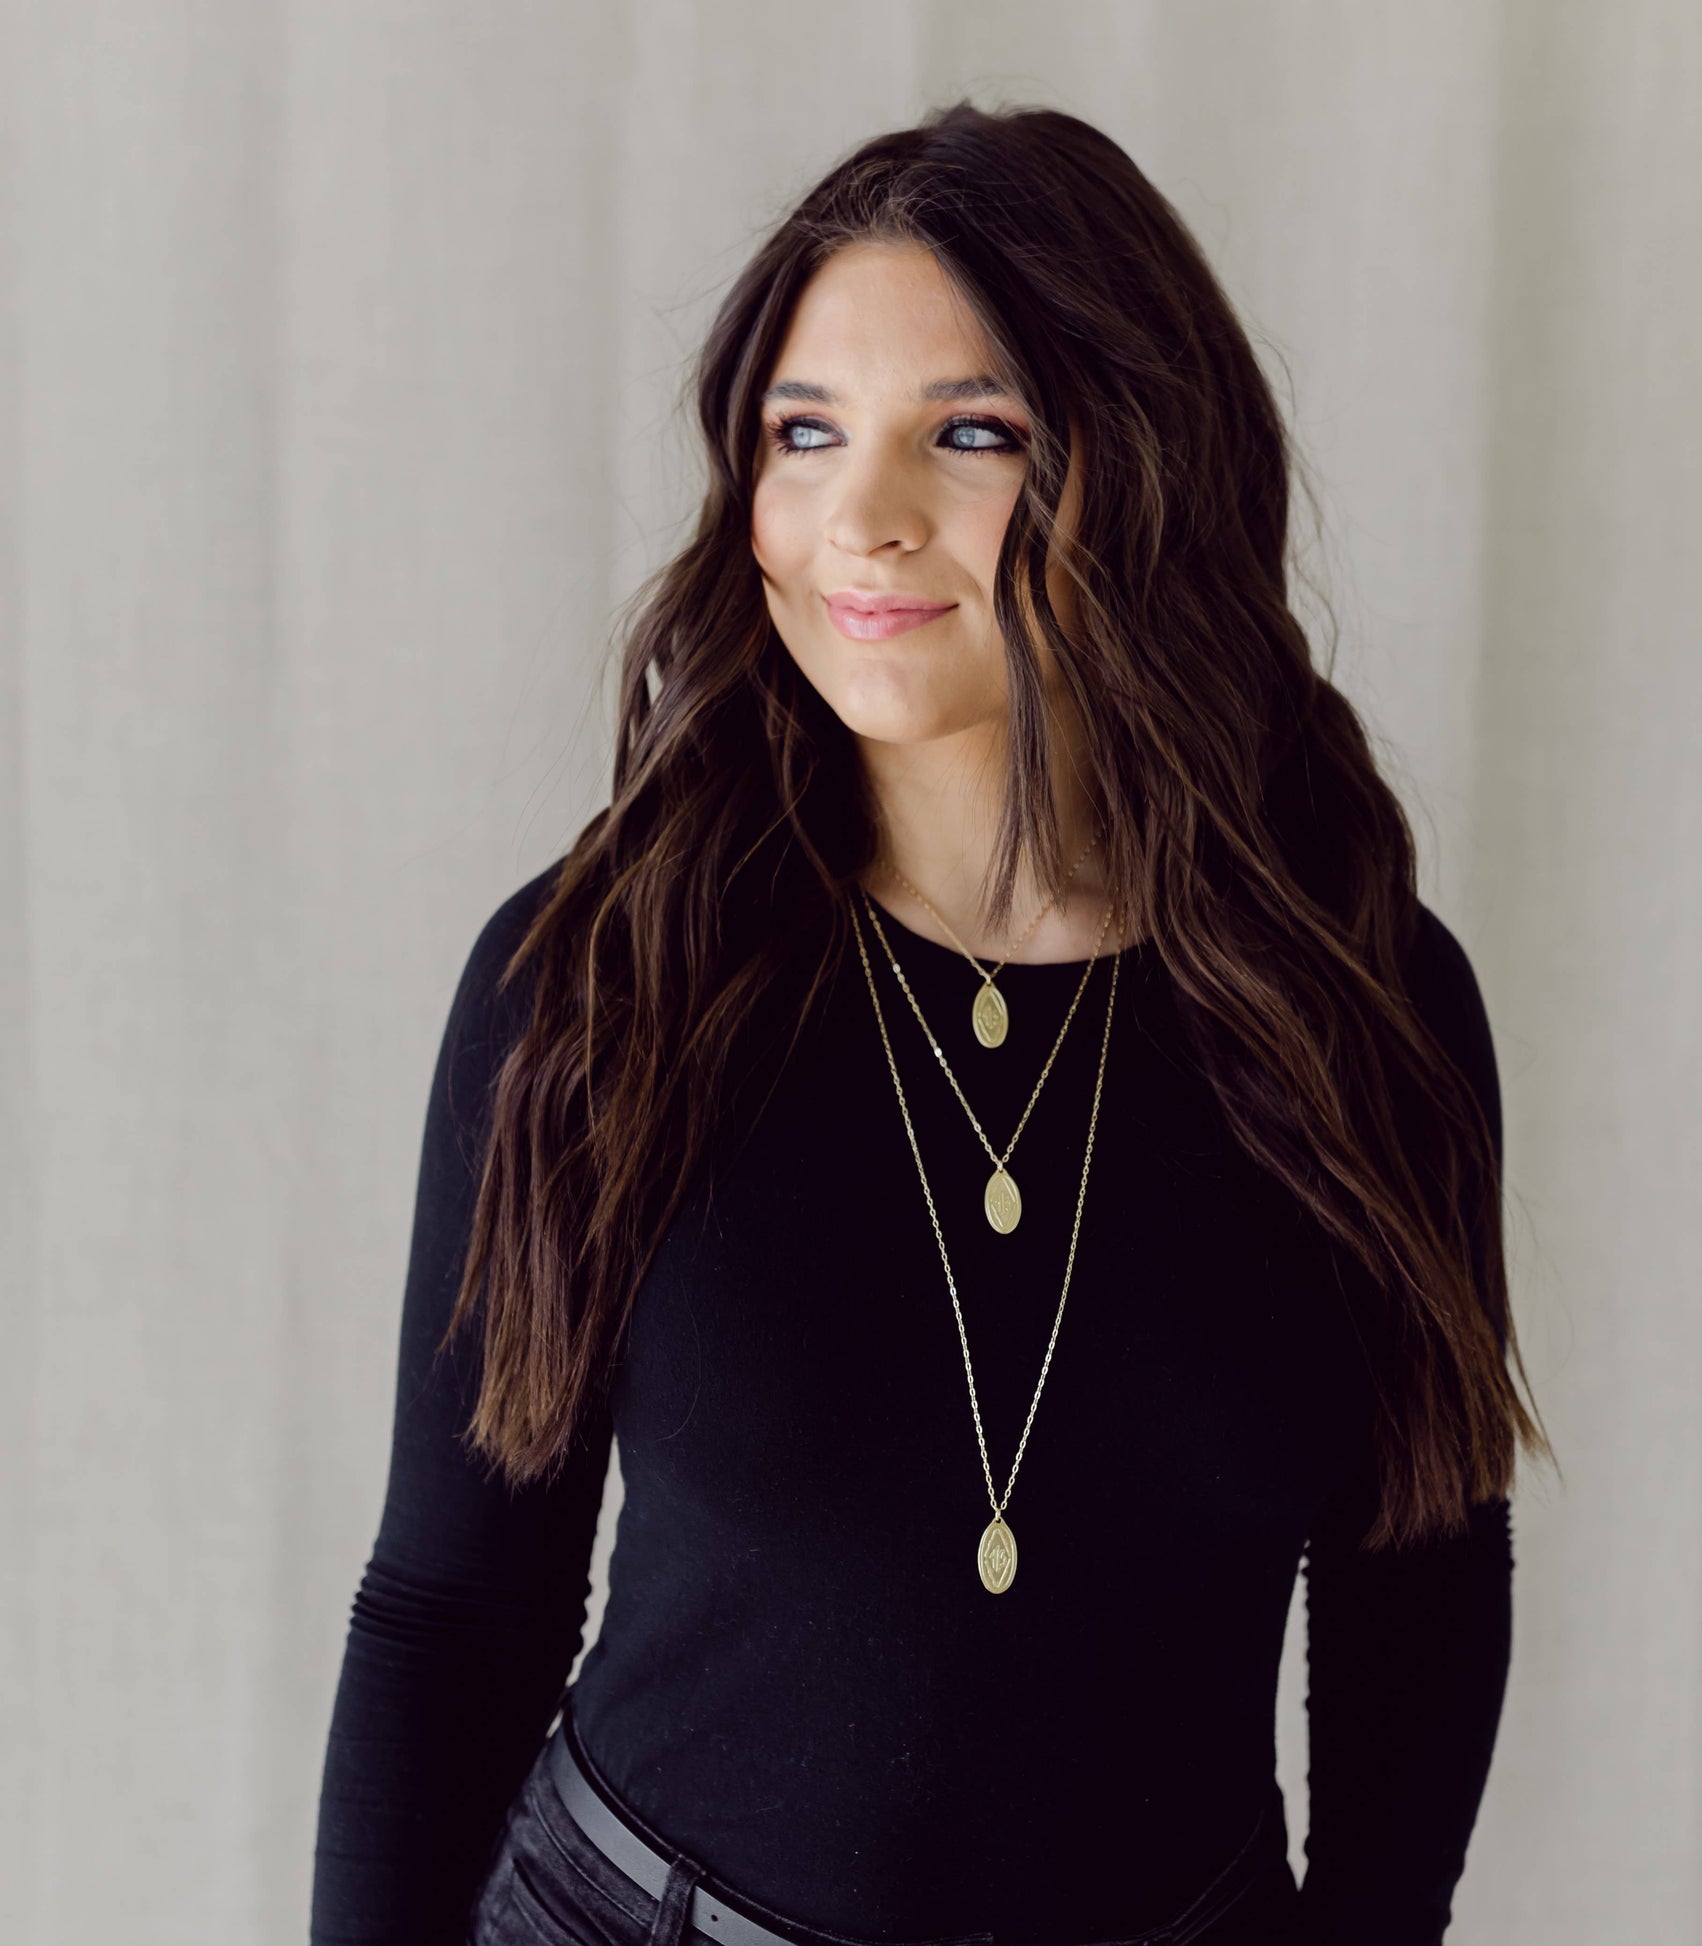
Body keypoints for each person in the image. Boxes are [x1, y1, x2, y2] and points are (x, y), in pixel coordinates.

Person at [310, 99, 1553, 1946]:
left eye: (967, 434)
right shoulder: (591, 985)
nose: (857, 520)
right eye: (801, 435)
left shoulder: (1361, 1007)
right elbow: (451, 1612)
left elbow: (1418, 1595)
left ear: (1139, 463)